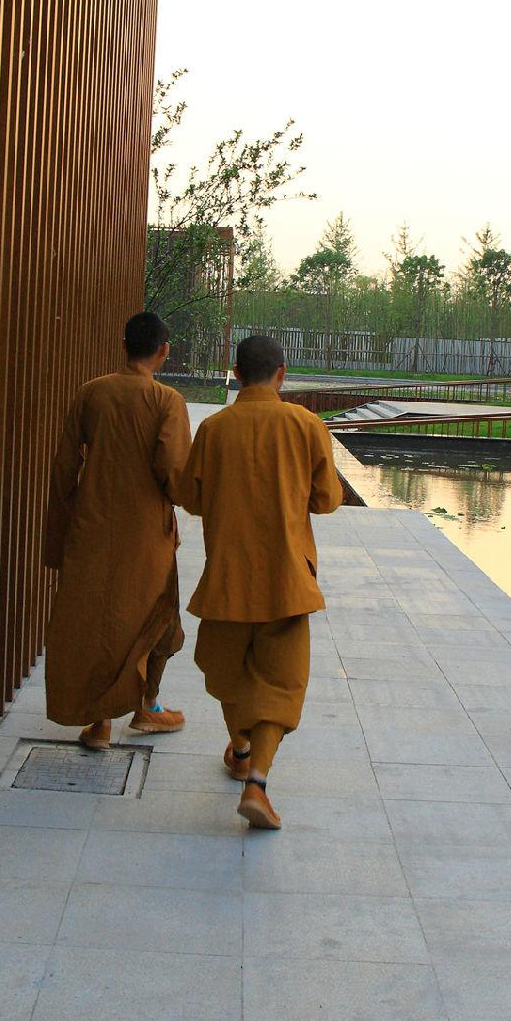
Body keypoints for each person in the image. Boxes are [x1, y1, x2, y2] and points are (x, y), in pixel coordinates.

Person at [173, 333, 344, 828]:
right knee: (281, 682)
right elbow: (327, 500)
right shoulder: (306, 426)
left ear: (236, 373)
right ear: (282, 374)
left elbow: (191, 498)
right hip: (286, 580)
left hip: (226, 579)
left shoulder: (214, 430)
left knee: (227, 673)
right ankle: (257, 783)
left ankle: (242, 747)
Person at [43, 311, 192, 750]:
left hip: (93, 525)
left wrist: (69, 520)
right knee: (156, 616)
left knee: (95, 623)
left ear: (124, 345)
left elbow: (65, 466)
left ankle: (100, 722)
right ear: (163, 350)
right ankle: (147, 706)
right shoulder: (167, 401)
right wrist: (188, 499)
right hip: (145, 532)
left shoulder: (92, 393)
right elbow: (172, 471)